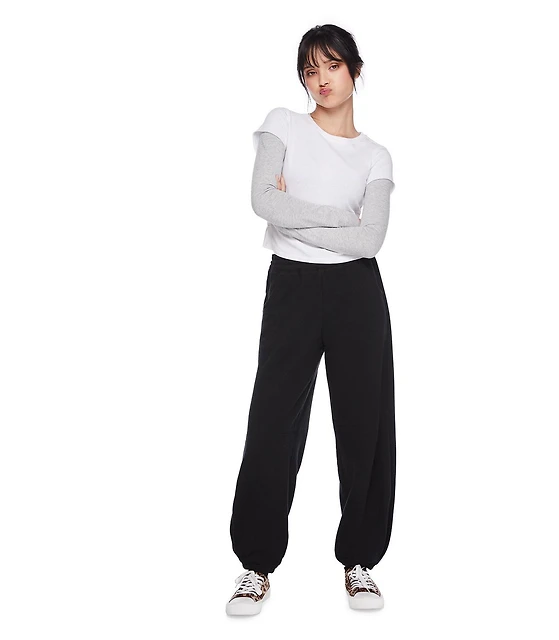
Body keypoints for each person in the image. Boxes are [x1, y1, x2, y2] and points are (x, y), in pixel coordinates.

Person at [226, 24, 396, 616]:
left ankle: (360, 562)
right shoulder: (283, 125)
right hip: (292, 288)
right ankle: (256, 565)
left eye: (332, 66)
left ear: (355, 70)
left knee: (364, 423)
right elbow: (262, 202)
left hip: (357, 293)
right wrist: (340, 220)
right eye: (309, 69)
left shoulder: (376, 156)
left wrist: (295, 216)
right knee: (272, 420)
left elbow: (370, 241)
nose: (320, 79)